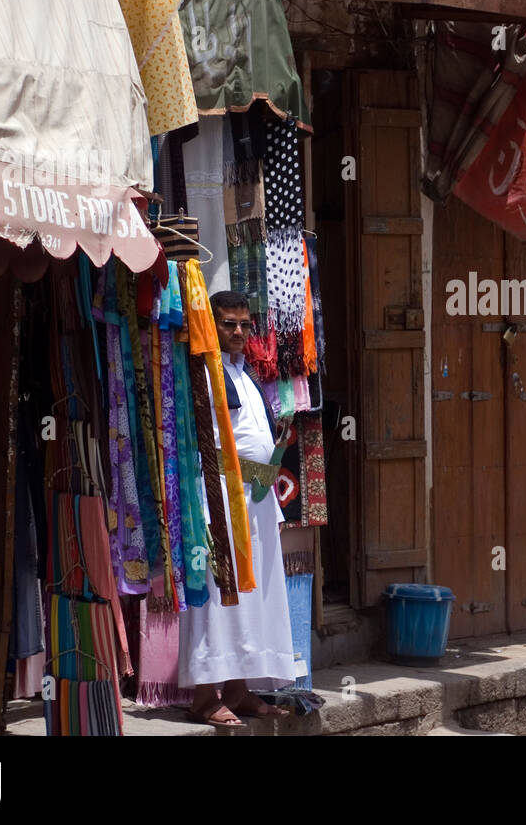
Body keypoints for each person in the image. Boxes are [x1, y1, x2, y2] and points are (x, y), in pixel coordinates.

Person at [179, 290, 298, 726]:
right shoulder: (201, 371)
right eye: (229, 323)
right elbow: (201, 443)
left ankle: (239, 689)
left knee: (253, 599)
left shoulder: (244, 376)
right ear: (212, 324)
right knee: (216, 595)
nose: (239, 332)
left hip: (255, 500)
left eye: (245, 325)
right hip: (220, 500)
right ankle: (204, 698)